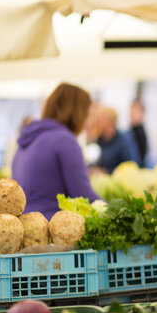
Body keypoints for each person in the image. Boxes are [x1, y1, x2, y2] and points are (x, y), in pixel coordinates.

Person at [12, 83, 100, 220]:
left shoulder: (27, 139)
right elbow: (83, 195)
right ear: (77, 112)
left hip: (24, 226)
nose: (89, 123)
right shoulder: (65, 141)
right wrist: (115, 210)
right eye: (88, 115)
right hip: (52, 229)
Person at [96, 107, 138, 173]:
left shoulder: (123, 140)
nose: (97, 122)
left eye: (101, 120)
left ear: (109, 122)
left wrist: (107, 172)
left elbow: (130, 166)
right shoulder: (98, 140)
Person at [128, 99, 148, 167]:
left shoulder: (141, 133)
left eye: (136, 112)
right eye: (132, 110)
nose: (132, 113)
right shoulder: (129, 131)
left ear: (142, 114)